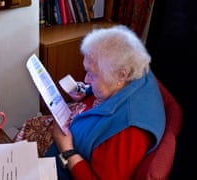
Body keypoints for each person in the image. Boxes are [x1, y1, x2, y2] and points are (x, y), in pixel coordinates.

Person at [44, 25, 166, 179]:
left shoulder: (128, 132)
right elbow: (109, 87)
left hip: (65, 156)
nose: (85, 79)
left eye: (92, 74)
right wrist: (86, 90)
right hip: (71, 125)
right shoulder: (137, 68)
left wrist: (66, 150)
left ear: (122, 75)